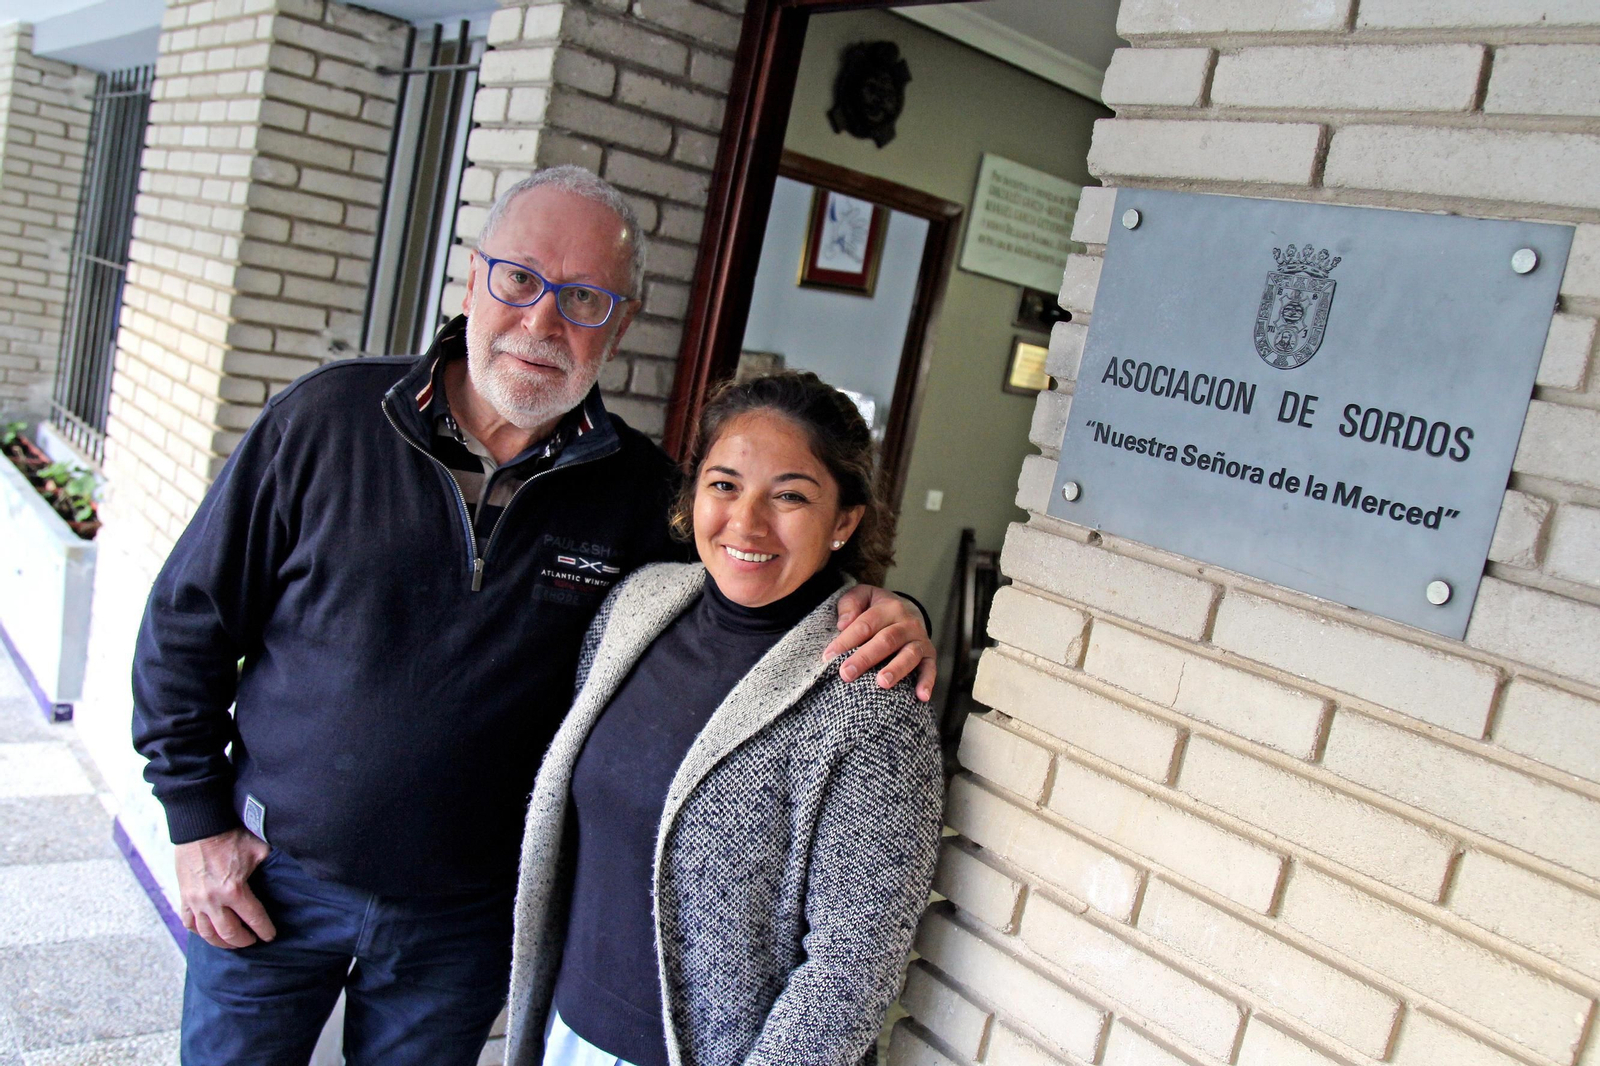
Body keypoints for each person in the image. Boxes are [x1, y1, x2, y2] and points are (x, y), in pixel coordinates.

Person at [130, 166, 937, 1066]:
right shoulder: (329, 419)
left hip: (463, 925)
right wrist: (196, 821)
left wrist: (891, 605)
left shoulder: (642, 498)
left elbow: (753, 581)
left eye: (586, 299)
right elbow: (186, 623)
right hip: (272, 882)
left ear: (621, 326)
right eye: (520, 279)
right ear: (474, 277)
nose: (542, 321)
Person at [502, 372, 945, 1066]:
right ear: (692, 495)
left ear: (846, 521)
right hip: (568, 1032)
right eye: (725, 485)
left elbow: (851, 970)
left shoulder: (870, 697)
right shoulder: (636, 610)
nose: (747, 522)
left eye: (791, 496)